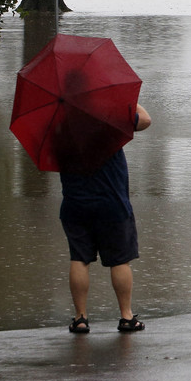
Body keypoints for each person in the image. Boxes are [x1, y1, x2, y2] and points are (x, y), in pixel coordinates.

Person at [58, 103, 152, 334]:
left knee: (79, 259)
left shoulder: (59, 126)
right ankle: (126, 317)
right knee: (120, 260)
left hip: (75, 202)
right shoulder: (109, 118)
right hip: (112, 202)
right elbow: (146, 120)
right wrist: (127, 100)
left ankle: (80, 318)